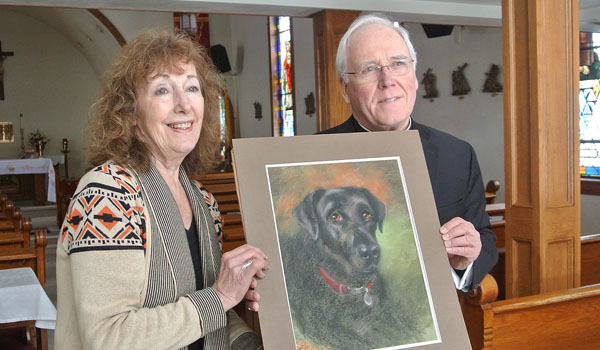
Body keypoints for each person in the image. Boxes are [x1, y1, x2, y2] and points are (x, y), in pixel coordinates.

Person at [55, 29, 268, 350]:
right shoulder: (108, 195)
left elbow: (208, 315)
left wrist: (250, 333)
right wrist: (222, 295)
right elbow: (108, 338)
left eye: (192, 88)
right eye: (163, 90)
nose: (183, 105)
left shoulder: (202, 199)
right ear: (131, 113)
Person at [320, 13, 498, 291]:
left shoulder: (457, 154)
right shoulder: (311, 158)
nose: (387, 79)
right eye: (369, 69)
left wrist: (465, 261)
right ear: (345, 88)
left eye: (398, 64)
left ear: (414, 76)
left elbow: (484, 238)